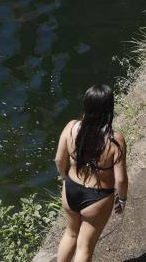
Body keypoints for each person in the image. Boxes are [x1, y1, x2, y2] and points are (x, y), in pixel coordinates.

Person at [54, 84, 128, 262]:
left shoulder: (71, 127)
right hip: (97, 197)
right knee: (85, 246)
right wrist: (122, 199)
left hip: (70, 189)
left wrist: (65, 178)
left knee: (70, 234)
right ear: (109, 108)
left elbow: (58, 159)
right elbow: (121, 179)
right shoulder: (114, 141)